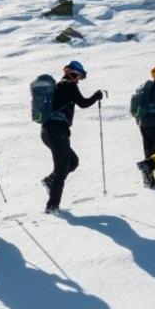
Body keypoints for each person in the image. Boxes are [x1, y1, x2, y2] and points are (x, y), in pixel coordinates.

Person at [41, 60, 104, 214]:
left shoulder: (59, 86)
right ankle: (52, 206)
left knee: (72, 162)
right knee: (61, 168)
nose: (79, 80)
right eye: (80, 76)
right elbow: (83, 103)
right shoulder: (68, 85)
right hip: (57, 131)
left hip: (49, 131)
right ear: (73, 73)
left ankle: (50, 181)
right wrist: (96, 96)